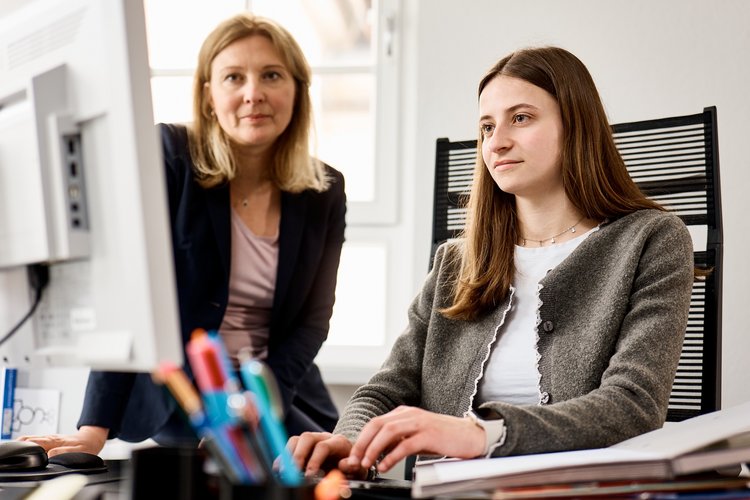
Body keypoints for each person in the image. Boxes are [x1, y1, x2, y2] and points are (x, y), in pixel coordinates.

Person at [289, 46, 695, 479]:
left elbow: (633, 405)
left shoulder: (651, 240)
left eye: (520, 118)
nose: (496, 141)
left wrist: (481, 435)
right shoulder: (456, 262)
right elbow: (388, 387)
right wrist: (347, 442)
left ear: (576, 125)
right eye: (486, 126)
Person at [20, 13, 346, 457]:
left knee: (333, 470)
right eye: (234, 77)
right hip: (181, 400)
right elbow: (131, 295)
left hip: (271, 394)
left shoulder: (324, 188)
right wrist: (93, 429)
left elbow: (313, 319)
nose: (254, 94)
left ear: (297, 90)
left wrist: (260, 396)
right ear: (210, 96)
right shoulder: (170, 157)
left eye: (271, 75)